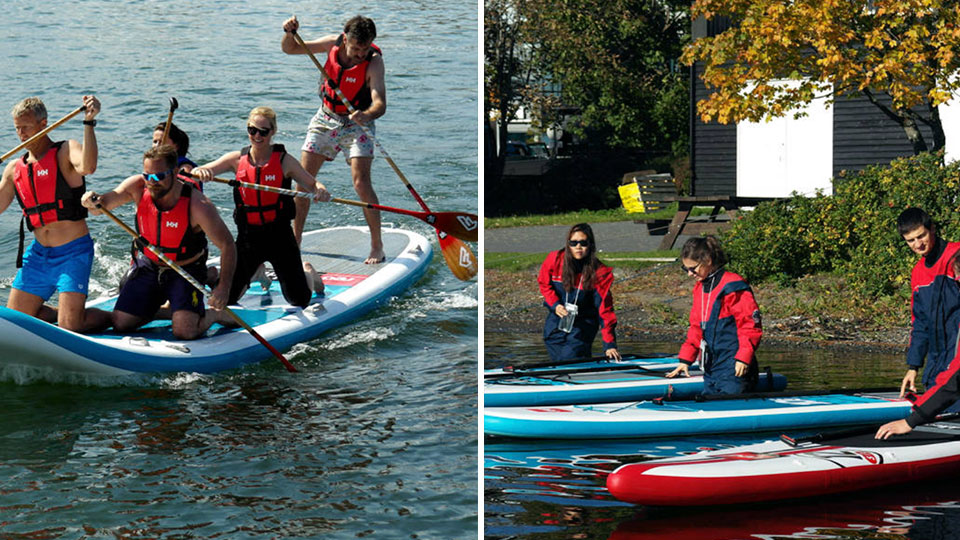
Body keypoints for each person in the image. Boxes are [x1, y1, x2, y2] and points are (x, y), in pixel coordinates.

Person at [80, 145, 236, 340]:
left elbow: (228, 245)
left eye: (159, 176)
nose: (152, 182)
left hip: (184, 270)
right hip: (149, 267)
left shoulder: (198, 205)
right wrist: (92, 201)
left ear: (176, 172)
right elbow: (103, 204)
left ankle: (212, 314)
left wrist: (223, 288)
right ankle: (173, 311)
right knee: (121, 323)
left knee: (185, 332)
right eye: (147, 176)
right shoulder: (137, 186)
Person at [191, 106, 331, 308]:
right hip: (248, 237)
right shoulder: (236, 160)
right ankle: (256, 272)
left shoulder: (285, 161)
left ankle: (309, 273)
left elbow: (312, 183)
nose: (257, 136)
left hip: (280, 236)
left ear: (273, 132)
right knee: (227, 299)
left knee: (299, 300)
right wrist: (201, 172)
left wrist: (321, 190)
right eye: (252, 130)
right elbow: (201, 170)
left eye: (263, 131)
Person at [281, 14, 387, 264]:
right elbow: (290, 49)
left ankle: (377, 245)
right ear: (346, 39)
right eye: (355, 48)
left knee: (361, 183)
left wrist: (367, 114)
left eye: (365, 48)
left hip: (357, 123)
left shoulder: (374, 63)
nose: (360, 54)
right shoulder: (332, 43)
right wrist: (288, 33)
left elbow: (380, 103)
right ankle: (295, 241)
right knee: (304, 181)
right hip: (326, 118)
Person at [0, 95, 111, 332]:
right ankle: (63, 313)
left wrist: (89, 123)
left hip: (73, 253)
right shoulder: (13, 169)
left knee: (72, 326)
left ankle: (114, 318)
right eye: (17, 128)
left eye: (26, 128)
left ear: (44, 125)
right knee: (14, 322)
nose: (21, 135)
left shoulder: (65, 151)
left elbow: (88, 167)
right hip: (39, 255)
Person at [667, 236, 763, 394]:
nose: (690, 274)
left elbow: (749, 325)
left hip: (734, 363)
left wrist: (743, 357)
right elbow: (696, 327)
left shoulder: (733, 285)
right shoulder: (700, 288)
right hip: (712, 365)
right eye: (686, 269)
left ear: (708, 260)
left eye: (693, 268)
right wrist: (685, 359)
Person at [896, 207, 960, 399]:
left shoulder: (956, 256)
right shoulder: (918, 273)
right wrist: (913, 366)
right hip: (936, 364)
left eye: (921, 236)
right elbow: (920, 324)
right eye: (911, 240)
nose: (918, 244)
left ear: (932, 229)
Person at [537, 223, 620, 361]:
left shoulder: (599, 273)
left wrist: (609, 344)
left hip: (583, 325)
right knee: (559, 358)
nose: (578, 247)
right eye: (573, 243)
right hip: (556, 322)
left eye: (583, 243)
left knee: (570, 357)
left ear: (590, 245)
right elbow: (544, 284)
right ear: (568, 244)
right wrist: (555, 305)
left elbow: (605, 311)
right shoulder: (554, 259)